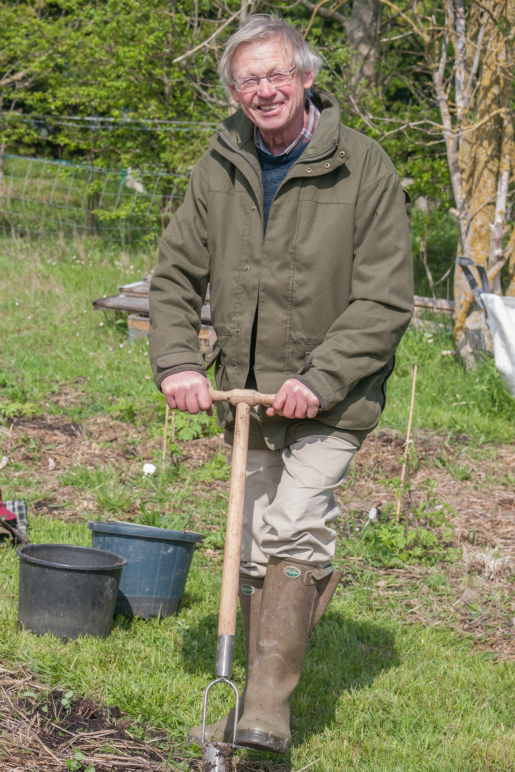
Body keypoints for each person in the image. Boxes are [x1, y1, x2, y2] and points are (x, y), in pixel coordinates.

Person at [149, 14, 413, 754]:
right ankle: (241, 709)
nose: (263, 90)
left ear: (305, 78)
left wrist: (320, 379)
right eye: (247, 80)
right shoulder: (219, 164)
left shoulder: (362, 166)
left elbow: (384, 297)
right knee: (255, 543)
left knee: (295, 522)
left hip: (336, 392)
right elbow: (173, 277)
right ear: (233, 92)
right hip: (246, 395)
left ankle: (266, 706)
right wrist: (176, 362)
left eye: (275, 75)